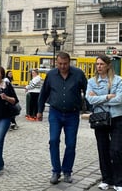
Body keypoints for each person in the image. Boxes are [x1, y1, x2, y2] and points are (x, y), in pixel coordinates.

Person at [37, 52, 88, 184]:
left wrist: (90, 109)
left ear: (69, 62)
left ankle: (67, 171)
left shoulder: (78, 74)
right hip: (55, 113)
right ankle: (55, 171)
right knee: (53, 141)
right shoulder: (51, 75)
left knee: (70, 144)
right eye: (60, 64)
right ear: (56, 63)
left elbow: (88, 91)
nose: (63, 66)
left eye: (65, 64)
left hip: (72, 114)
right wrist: (39, 111)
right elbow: (44, 93)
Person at [85, 55, 122, 191]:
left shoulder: (118, 80)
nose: (99, 66)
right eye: (97, 64)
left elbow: (119, 99)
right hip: (100, 118)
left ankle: (119, 182)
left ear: (108, 65)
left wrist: (99, 98)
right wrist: (107, 96)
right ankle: (106, 179)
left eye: (102, 64)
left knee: (116, 149)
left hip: (117, 117)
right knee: (103, 150)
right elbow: (89, 99)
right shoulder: (92, 81)